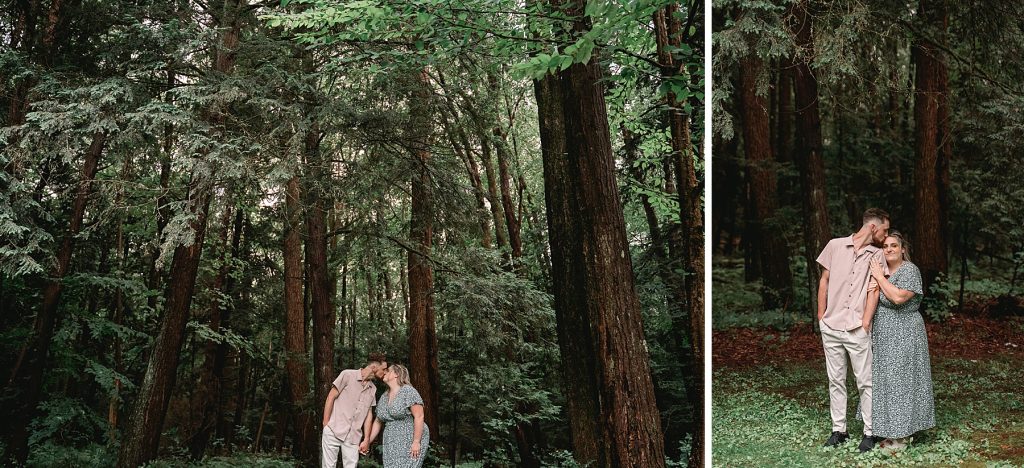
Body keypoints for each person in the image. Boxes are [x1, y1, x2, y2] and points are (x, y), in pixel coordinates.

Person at [816, 207, 889, 452]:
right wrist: (821, 317)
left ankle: (869, 433)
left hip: (857, 327)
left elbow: (874, 289)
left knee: (865, 381)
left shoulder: (877, 255)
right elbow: (824, 281)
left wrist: (866, 322)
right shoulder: (835, 246)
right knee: (835, 380)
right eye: (884, 230)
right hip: (831, 325)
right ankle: (839, 430)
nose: (885, 235)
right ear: (873, 227)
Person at [868, 231, 935, 450]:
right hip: (883, 332)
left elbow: (897, 298)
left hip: (905, 331)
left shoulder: (909, 270)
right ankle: (886, 428)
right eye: (885, 246)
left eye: (894, 246)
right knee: (884, 380)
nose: (888, 249)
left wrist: (878, 277)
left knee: (901, 381)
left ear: (903, 249)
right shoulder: (883, 270)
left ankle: (902, 436)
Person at [321, 353, 389, 468]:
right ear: (374, 367)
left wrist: (366, 438)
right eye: (384, 369)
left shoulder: (373, 389)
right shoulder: (347, 375)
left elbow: (368, 415)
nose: (386, 372)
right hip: (333, 430)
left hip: (353, 436)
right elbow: (330, 397)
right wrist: (325, 423)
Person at [361, 364, 430, 468]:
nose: (384, 372)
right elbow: (378, 421)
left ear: (396, 374)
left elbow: (419, 416)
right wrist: (368, 441)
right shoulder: (384, 396)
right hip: (390, 441)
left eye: (388, 370)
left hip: (409, 438)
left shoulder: (408, 391)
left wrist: (416, 442)